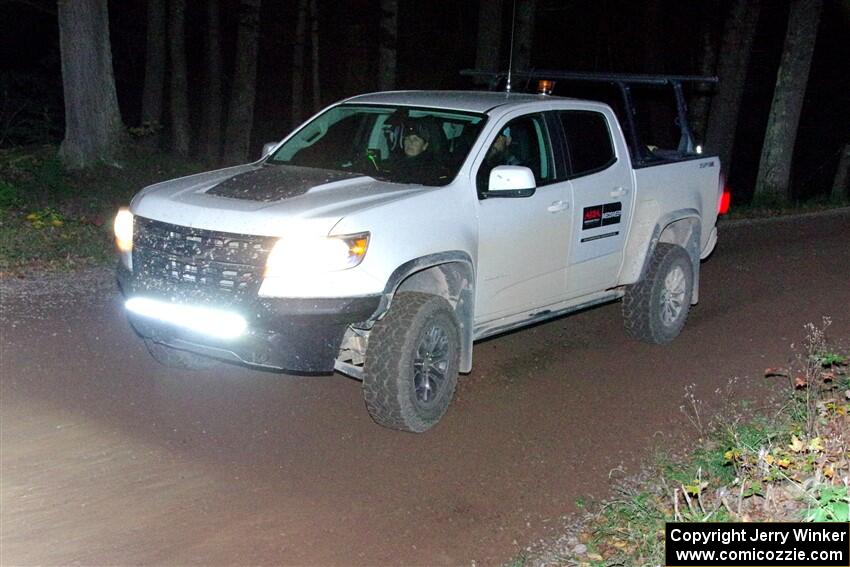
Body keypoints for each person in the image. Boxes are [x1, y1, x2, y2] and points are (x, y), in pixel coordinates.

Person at [388, 118, 445, 184]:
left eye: (416, 139)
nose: (410, 142)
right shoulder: (394, 162)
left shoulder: (429, 170)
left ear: (425, 146)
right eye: (407, 139)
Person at [477, 126, 520, 191]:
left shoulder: (515, 168)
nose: (492, 142)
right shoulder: (477, 162)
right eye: (489, 138)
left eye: (497, 137)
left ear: (508, 140)